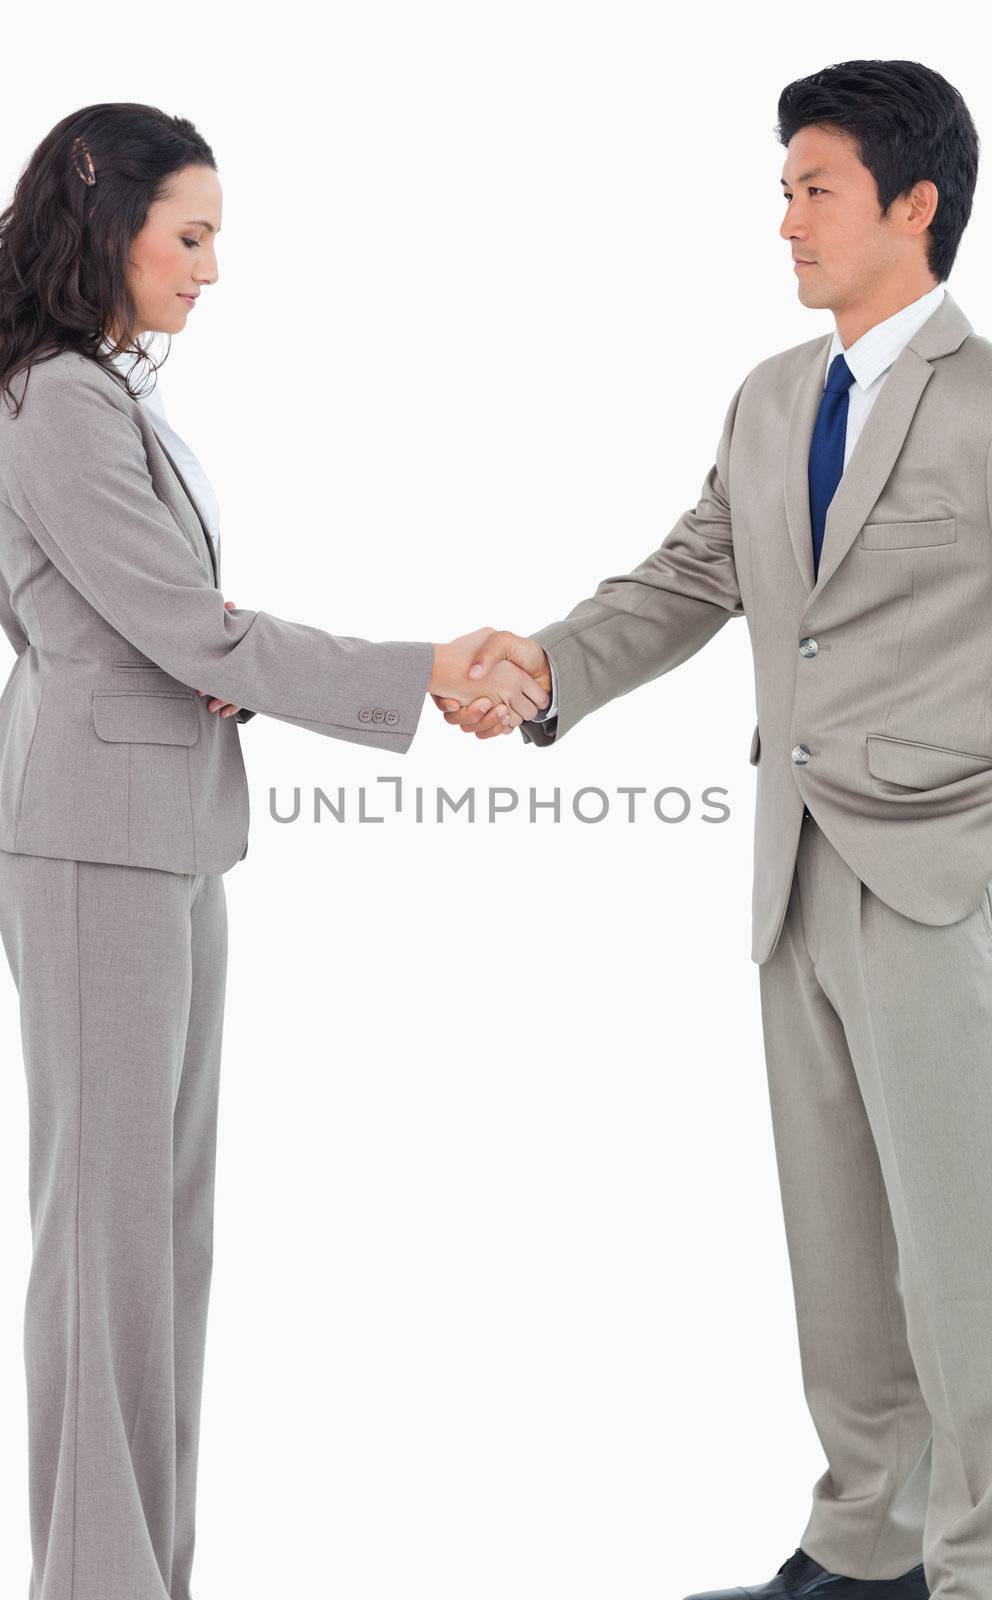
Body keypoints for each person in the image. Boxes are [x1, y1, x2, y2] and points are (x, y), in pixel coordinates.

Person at [437, 58, 992, 1600]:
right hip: (793, 875)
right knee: (841, 1245)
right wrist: (545, 668)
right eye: (785, 192)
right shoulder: (770, 398)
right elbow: (692, 579)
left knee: (969, 1258)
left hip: (952, 881)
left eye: (815, 189)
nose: (787, 223)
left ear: (916, 203)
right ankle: (868, 1544)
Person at [0, 102, 551, 1600]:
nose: (213, 268)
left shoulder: (103, 395)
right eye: (193, 234)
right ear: (102, 219)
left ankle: (139, 1574)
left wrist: (256, 662)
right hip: (95, 847)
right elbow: (187, 628)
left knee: (161, 1238)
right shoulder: (53, 399)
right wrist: (421, 665)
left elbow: (183, 631)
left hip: (170, 830)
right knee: (107, 1238)